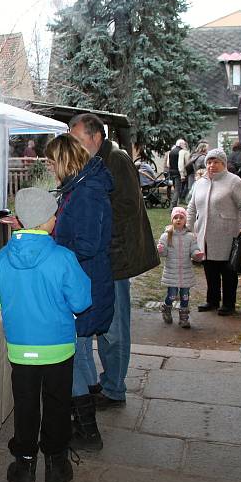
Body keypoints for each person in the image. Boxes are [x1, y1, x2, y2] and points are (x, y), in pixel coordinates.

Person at [0, 187, 92, 482]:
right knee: (58, 404)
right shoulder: (62, 257)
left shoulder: (4, 256)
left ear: (19, 220)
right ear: (49, 221)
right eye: (54, 214)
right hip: (57, 347)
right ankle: (56, 466)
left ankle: (25, 467)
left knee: (26, 404)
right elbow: (81, 300)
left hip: (21, 348)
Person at [69, 113, 159, 409]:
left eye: (78, 139)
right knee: (105, 322)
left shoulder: (116, 160)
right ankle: (107, 384)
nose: (75, 145)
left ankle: (114, 390)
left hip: (116, 258)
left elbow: (125, 209)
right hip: (106, 255)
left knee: (114, 328)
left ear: (95, 136)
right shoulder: (96, 159)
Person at [45, 134, 113, 451]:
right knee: (83, 351)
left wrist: (51, 246)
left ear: (64, 160)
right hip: (84, 281)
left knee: (72, 356)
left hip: (83, 283)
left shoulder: (86, 192)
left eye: (51, 162)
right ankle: (87, 420)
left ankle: (87, 431)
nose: (49, 168)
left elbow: (86, 244)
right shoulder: (79, 187)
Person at [186, 148, 241, 316]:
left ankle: (229, 303)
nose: (211, 165)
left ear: (224, 164)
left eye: (216, 162)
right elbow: (192, 207)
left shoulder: (234, 181)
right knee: (210, 268)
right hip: (205, 234)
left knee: (228, 270)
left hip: (227, 233)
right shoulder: (200, 182)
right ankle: (212, 300)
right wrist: (188, 226)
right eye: (209, 162)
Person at [157, 207, 204, 328]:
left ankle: (184, 318)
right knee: (172, 295)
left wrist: (197, 255)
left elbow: (194, 250)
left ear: (185, 220)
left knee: (185, 296)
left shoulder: (190, 237)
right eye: (175, 217)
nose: (178, 220)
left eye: (181, 217)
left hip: (185, 272)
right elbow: (163, 253)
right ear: (172, 220)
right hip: (172, 272)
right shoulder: (166, 236)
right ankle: (166, 308)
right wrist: (161, 250)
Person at [165, 139, 190, 206]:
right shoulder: (181, 152)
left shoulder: (171, 151)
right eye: (184, 144)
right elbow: (181, 164)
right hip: (178, 173)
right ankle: (173, 206)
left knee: (175, 189)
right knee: (177, 190)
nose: (185, 145)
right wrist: (182, 174)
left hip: (171, 172)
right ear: (180, 144)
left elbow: (168, 164)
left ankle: (175, 204)